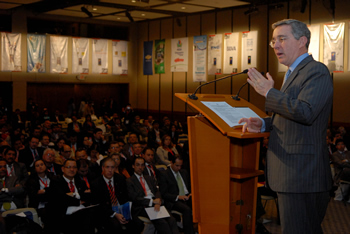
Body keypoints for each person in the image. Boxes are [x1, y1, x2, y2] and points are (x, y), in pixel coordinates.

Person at [238, 19, 333, 234]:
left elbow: (307, 112)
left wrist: (269, 93)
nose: (276, 46)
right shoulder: (291, 73)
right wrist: (263, 123)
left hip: (302, 176)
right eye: (274, 41)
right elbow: (292, 116)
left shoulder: (316, 71)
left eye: (282, 39)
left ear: (302, 41)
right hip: (293, 175)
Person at [126, 157, 180, 234]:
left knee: (172, 220)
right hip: (142, 207)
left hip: (155, 204)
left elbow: (156, 191)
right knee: (162, 223)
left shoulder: (149, 178)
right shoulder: (129, 181)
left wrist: (158, 201)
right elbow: (134, 198)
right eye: (138, 165)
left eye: (142, 165)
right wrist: (152, 202)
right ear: (133, 166)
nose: (140, 167)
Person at [91, 157, 137, 233]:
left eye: (112, 167)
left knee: (137, 223)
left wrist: (125, 211)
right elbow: (99, 205)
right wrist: (115, 214)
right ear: (103, 168)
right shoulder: (95, 183)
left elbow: (125, 197)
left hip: (122, 209)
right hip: (107, 212)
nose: (110, 170)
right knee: (115, 226)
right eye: (107, 167)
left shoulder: (120, 178)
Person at [158, 155, 194, 234]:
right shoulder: (164, 174)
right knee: (186, 209)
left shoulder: (184, 172)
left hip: (187, 196)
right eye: (177, 165)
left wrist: (192, 193)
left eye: (180, 165)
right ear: (171, 163)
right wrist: (178, 197)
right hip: (174, 200)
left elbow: (190, 185)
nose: (179, 168)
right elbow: (164, 194)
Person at [25, 159, 55, 224]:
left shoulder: (52, 176)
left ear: (45, 166)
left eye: (42, 164)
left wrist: (44, 191)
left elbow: (56, 190)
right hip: (39, 205)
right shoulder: (31, 180)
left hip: (53, 202)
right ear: (34, 168)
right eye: (37, 165)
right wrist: (49, 191)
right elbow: (34, 194)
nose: (40, 167)